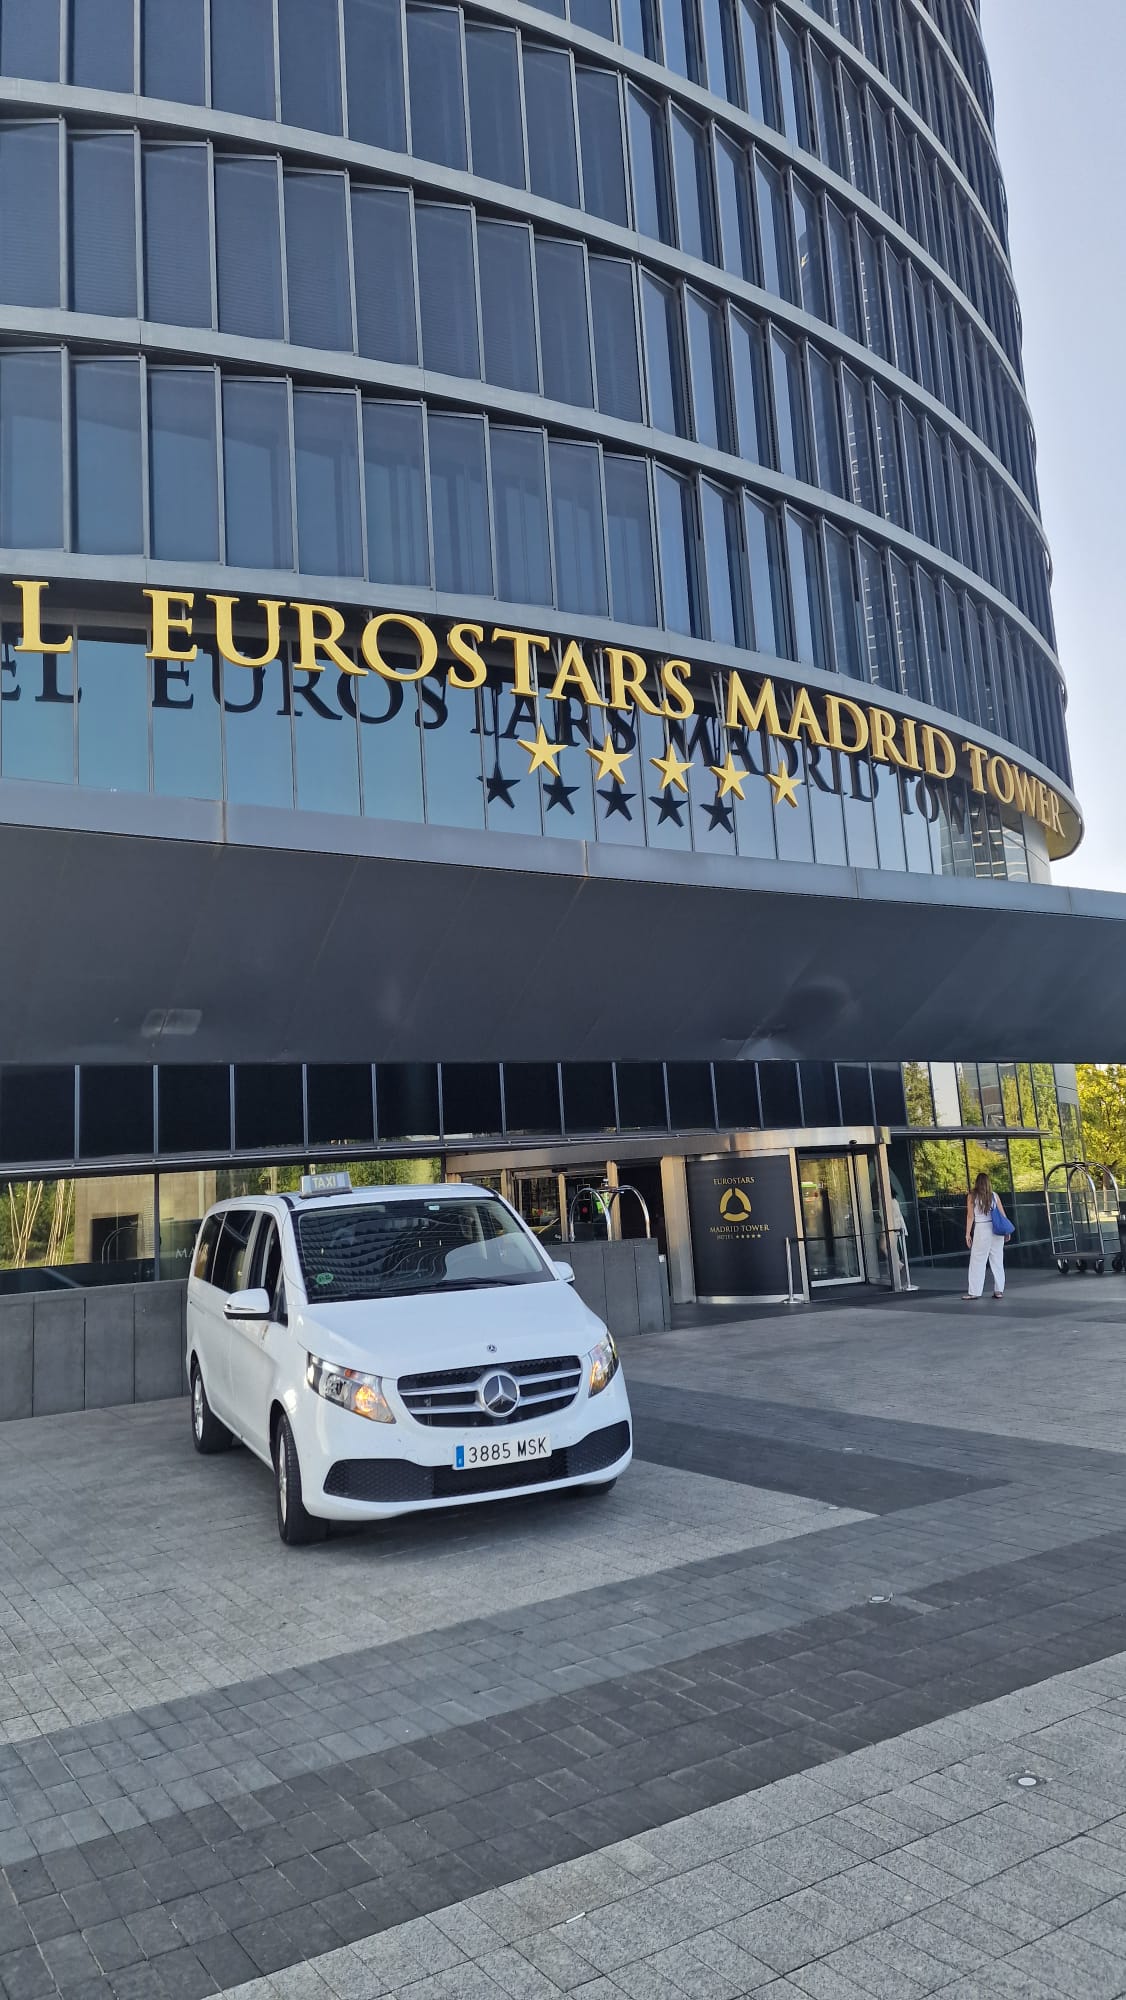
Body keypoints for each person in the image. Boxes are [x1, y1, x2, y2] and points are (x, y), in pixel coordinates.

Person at [964, 1171, 1007, 1300]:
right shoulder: (994, 1196)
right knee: (997, 1260)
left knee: (977, 1261)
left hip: (982, 1229)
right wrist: (1006, 1231)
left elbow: (970, 1216)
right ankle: (999, 1290)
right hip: (996, 1229)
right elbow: (1003, 1214)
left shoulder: (972, 1196)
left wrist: (967, 1234)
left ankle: (974, 1292)